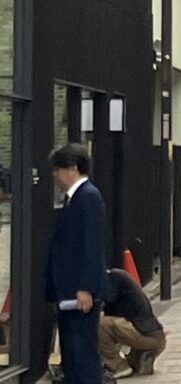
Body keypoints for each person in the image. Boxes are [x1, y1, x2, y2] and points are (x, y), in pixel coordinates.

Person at [45, 143, 109, 384]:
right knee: (71, 356)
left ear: (72, 168)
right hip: (67, 291)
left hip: (79, 293)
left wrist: (86, 287)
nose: (55, 175)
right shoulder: (72, 199)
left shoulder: (88, 197)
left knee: (83, 356)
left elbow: (93, 246)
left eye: (58, 169)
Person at [100, 268, 166, 377]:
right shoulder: (120, 278)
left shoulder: (114, 280)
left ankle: (118, 366)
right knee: (135, 366)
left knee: (99, 325)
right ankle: (141, 357)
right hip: (155, 336)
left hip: (145, 335)